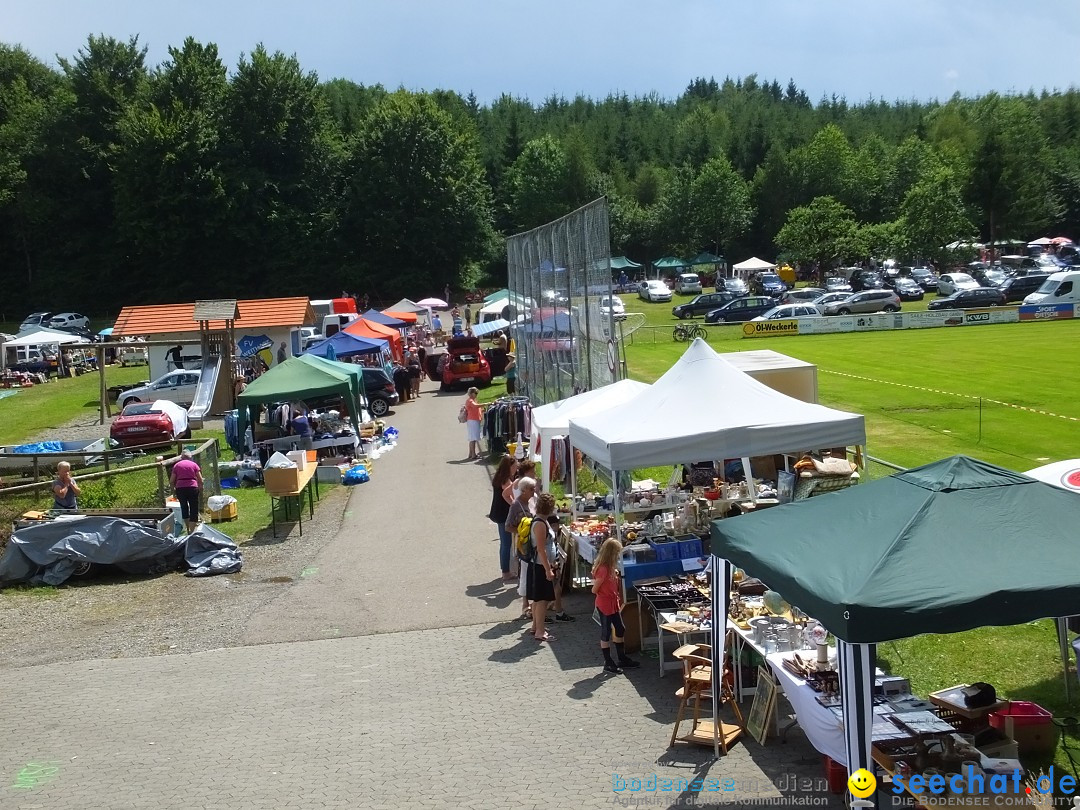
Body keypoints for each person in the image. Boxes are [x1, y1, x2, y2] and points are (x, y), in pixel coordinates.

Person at [591, 537, 640, 673]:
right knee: (606, 632)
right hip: (605, 604)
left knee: (620, 629)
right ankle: (608, 661)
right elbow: (594, 589)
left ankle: (621, 657)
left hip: (613, 603)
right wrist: (607, 591)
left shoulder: (610, 567)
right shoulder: (604, 569)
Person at [528, 494, 560, 642]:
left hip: (540, 565)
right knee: (542, 600)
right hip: (540, 566)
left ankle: (535, 626)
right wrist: (548, 569)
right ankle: (540, 631)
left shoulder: (541, 521)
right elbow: (541, 549)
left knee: (537, 599)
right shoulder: (540, 524)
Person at [506, 475, 536, 618]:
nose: (534, 491)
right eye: (531, 489)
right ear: (524, 490)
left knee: (532, 572)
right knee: (524, 572)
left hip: (533, 542)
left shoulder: (531, 502)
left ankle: (533, 603)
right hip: (523, 544)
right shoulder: (516, 505)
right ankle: (525, 604)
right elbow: (508, 526)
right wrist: (521, 530)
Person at [489, 455, 519, 581]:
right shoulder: (506, 480)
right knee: (506, 543)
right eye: (515, 466)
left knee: (504, 543)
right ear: (510, 467)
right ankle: (506, 572)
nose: (516, 468)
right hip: (503, 514)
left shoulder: (498, 476)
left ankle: (505, 569)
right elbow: (509, 495)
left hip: (497, 512)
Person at [169, 450, 204, 534]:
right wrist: (200, 487)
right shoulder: (194, 465)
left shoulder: (176, 465)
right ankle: (192, 531)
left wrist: (174, 491)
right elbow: (200, 479)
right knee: (193, 508)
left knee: (184, 507)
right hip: (192, 487)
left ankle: (188, 528)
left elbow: (171, 481)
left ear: (181, 457)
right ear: (190, 457)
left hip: (180, 488)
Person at [463, 386, 483, 460]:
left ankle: (471, 453)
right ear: (471, 393)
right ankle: (473, 454)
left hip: (474, 420)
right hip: (473, 420)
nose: (476, 394)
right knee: (473, 438)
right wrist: (486, 403)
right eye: (476, 393)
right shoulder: (470, 401)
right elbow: (475, 406)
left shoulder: (473, 400)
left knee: (472, 438)